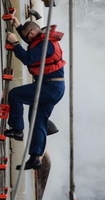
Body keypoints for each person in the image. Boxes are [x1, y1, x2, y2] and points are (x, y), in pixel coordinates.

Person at [4, 16, 65, 170]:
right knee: (37, 120)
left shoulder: (46, 45)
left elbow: (28, 58)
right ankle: (36, 157)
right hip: (54, 87)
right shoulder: (43, 41)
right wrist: (18, 26)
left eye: (26, 36)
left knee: (15, 95)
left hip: (49, 87)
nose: (26, 39)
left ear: (31, 33)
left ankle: (17, 129)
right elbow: (32, 44)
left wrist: (15, 43)